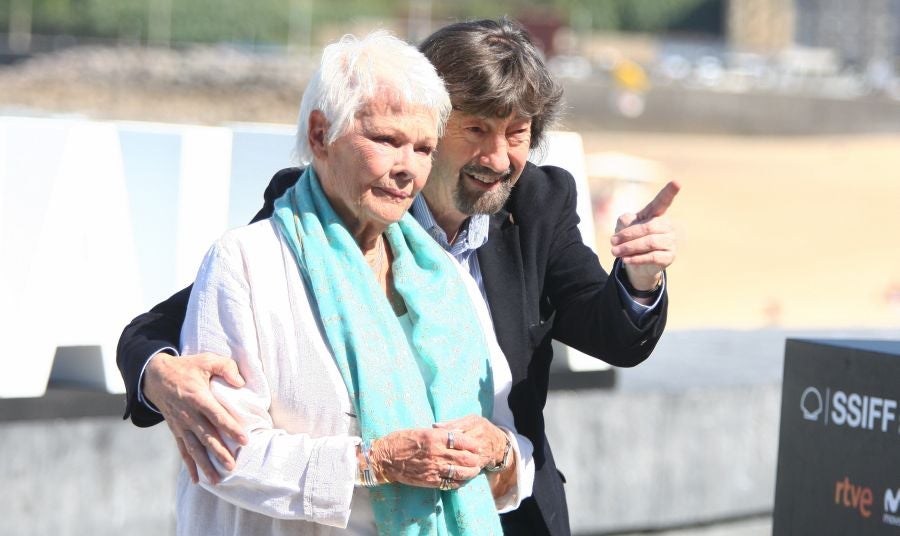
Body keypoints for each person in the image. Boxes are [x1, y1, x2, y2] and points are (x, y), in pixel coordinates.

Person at [118, 17, 678, 536]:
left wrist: (639, 277)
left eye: (517, 133)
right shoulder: (339, 202)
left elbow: (608, 331)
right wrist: (156, 371)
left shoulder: (537, 201)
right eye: (476, 128)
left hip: (509, 512)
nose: (499, 157)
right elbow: (200, 308)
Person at [171, 31, 534, 535]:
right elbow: (221, 452)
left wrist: (499, 452)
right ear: (320, 135)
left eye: (423, 147)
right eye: (386, 141)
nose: (407, 168)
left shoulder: (442, 276)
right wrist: (374, 463)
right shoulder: (247, 262)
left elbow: (508, 439)